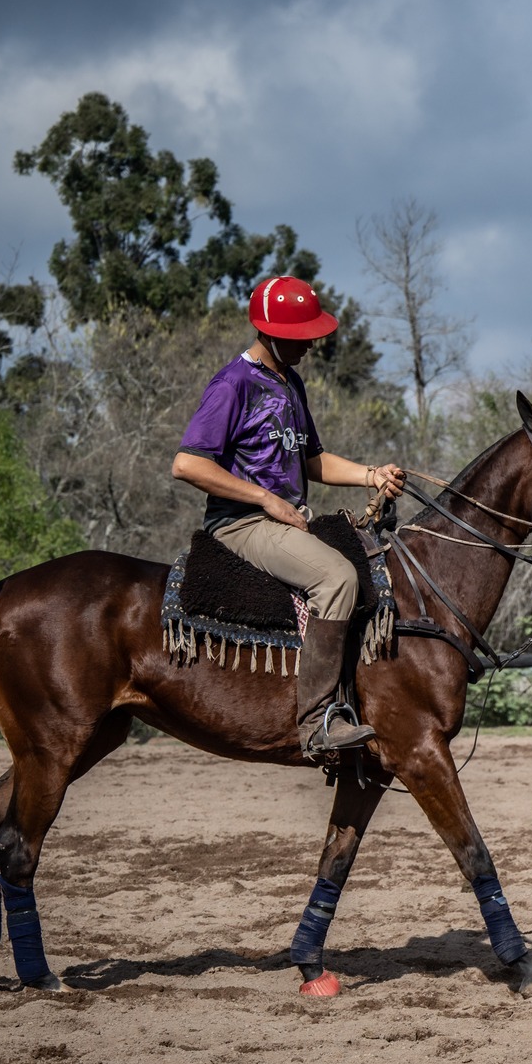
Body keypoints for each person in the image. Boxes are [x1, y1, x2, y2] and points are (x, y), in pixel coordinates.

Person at [172, 275, 407, 756]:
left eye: (312, 335)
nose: (309, 346)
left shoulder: (289, 381)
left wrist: (371, 475)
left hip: (280, 520)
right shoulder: (233, 383)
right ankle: (317, 722)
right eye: (300, 337)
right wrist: (264, 499)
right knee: (339, 578)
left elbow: (311, 460)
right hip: (241, 525)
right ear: (269, 332)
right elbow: (188, 463)